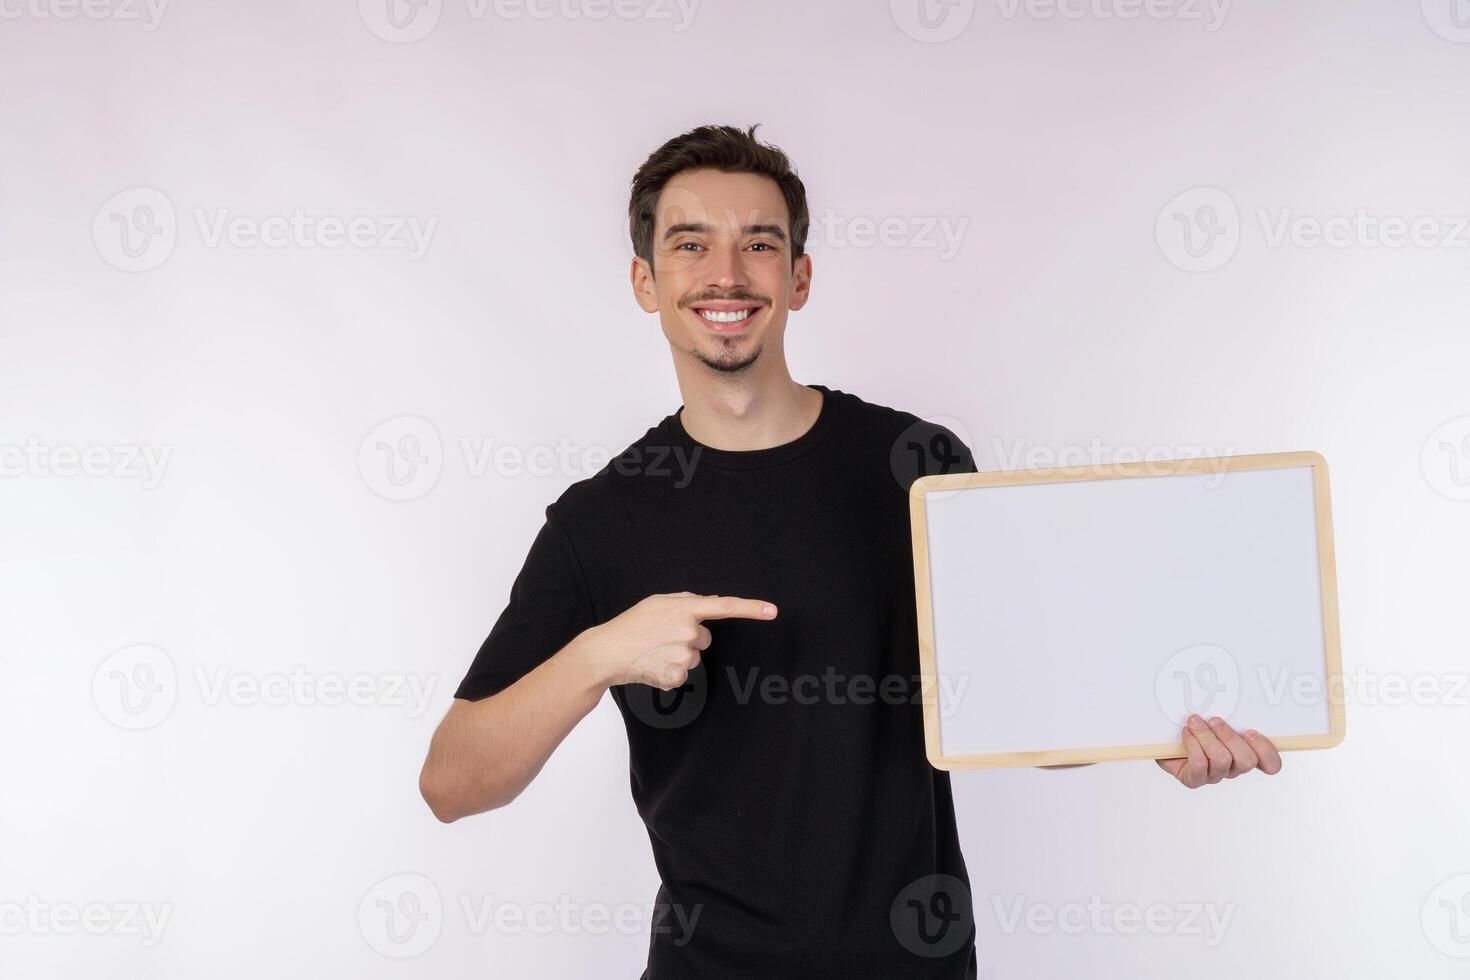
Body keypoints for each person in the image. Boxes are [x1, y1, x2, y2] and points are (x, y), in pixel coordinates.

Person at [418, 123, 1283, 978]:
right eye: (691, 245)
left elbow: (1013, 700)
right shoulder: (600, 522)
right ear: (647, 280)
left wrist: (1154, 734)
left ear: (798, 278)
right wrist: (604, 651)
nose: (726, 274)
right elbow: (452, 784)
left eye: (759, 244)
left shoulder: (917, 465)